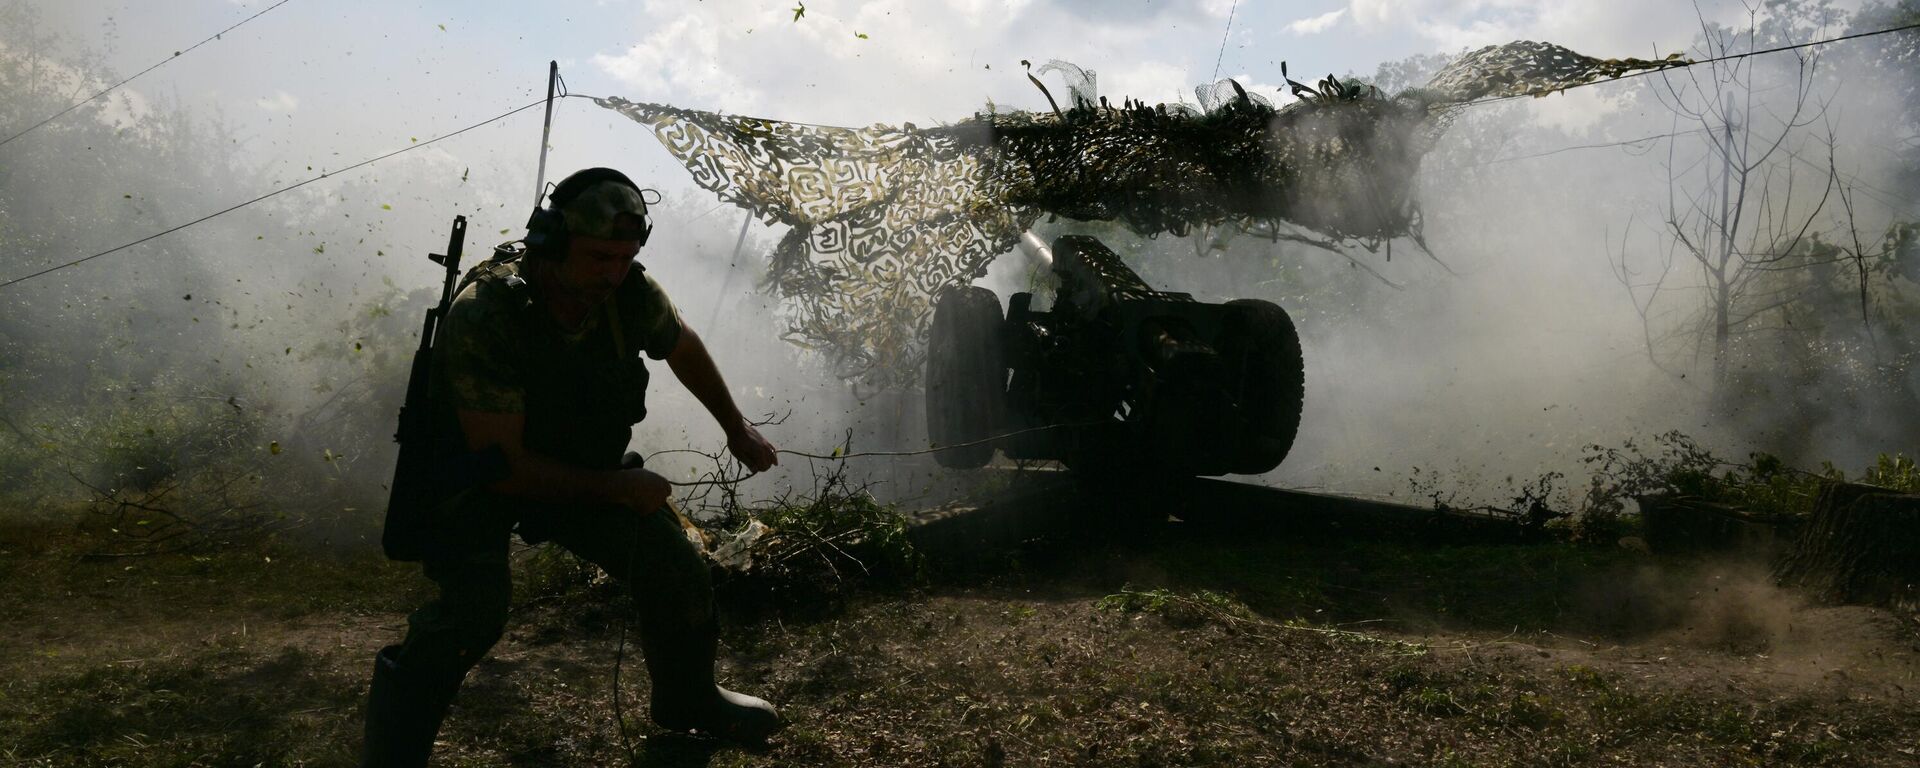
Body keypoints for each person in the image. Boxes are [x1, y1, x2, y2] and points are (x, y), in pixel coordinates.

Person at [361, 167, 781, 766]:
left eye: (624, 257)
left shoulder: (627, 291)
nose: (612, 273)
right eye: (597, 257)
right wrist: (618, 486)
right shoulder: (487, 315)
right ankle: (392, 755)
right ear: (551, 246)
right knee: (471, 614)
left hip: (577, 470)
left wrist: (735, 427)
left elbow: (680, 343)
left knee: (674, 565)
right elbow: (502, 468)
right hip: (475, 481)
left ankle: (688, 701)